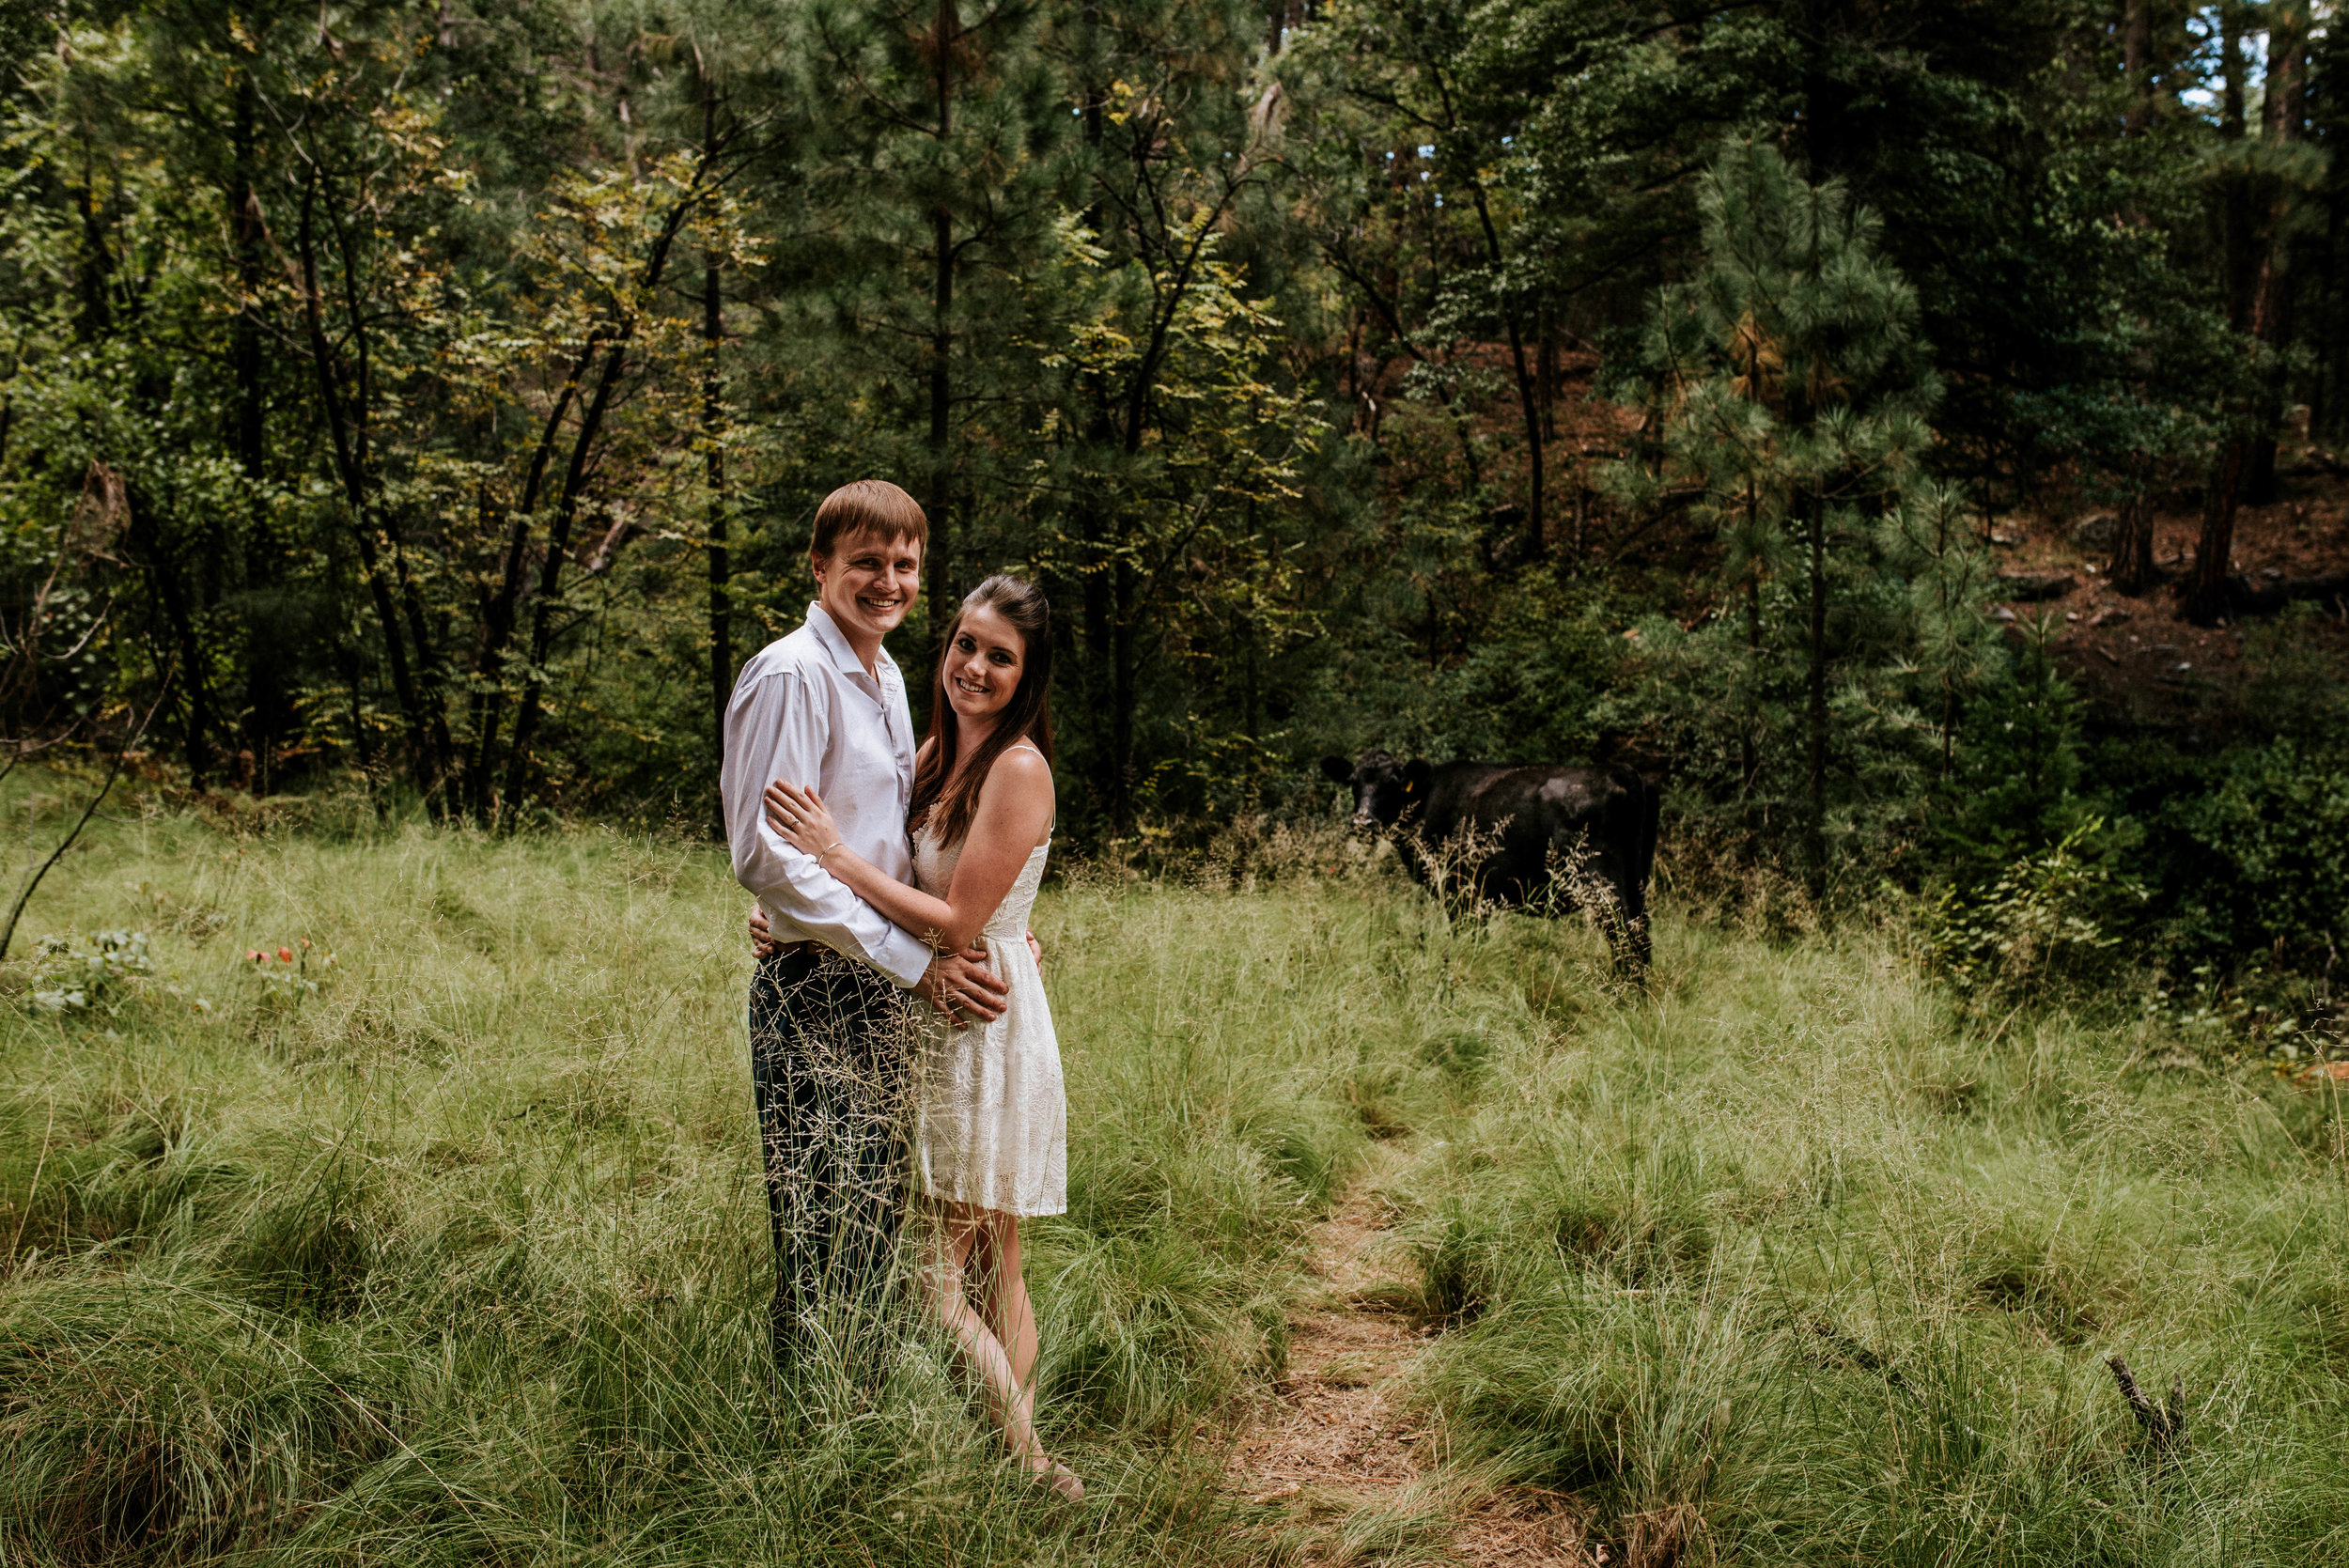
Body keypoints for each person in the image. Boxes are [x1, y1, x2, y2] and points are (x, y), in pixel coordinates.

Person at [760, 575, 1081, 1502]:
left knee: (939, 1279)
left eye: (1000, 656)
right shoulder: (937, 751)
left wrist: (831, 856)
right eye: (965, 645)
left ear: (1029, 675)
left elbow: (950, 916)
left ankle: (1029, 1466)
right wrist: (793, 918)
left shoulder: (1017, 767)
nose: (975, 666)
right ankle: (1014, 1456)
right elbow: (887, 872)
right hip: (941, 1010)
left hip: (976, 1018)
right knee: (990, 1257)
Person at [720, 480, 1010, 1381]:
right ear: (820, 567)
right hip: (820, 988)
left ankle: (862, 1421)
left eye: (905, 566)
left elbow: (884, 839)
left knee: (873, 1224)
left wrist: (998, 931)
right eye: (867, 564)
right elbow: (767, 856)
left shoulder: (883, 674)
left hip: (886, 993)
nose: (888, 581)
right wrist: (912, 961)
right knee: (817, 1226)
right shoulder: (792, 674)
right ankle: (806, 1444)